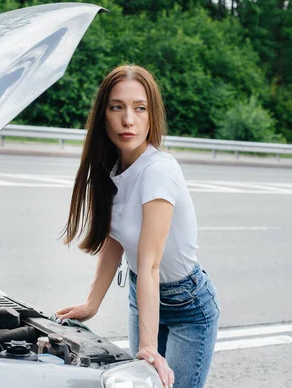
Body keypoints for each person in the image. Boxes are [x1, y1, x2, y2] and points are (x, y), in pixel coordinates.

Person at [56, 65, 219, 388]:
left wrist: (147, 346)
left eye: (139, 108)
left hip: (188, 305)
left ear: (151, 115)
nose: (128, 120)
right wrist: (92, 303)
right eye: (117, 107)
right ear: (103, 114)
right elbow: (114, 240)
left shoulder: (158, 171)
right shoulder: (112, 168)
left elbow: (151, 264)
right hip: (141, 294)